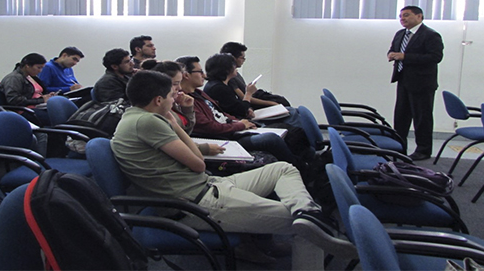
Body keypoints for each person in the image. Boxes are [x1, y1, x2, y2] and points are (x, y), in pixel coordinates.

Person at [111, 70, 356, 268]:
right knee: (309, 230)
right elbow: (198, 163)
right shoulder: (149, 121)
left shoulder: (134, 117)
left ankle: (306, 210)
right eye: (171, 95)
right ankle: (310, 219)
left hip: (207, 188)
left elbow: (191, 158)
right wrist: (174, 124)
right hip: (197, 204)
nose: (175, 98)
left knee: (282, 169)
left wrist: (176, 122)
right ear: (158, 100)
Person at [176, 56, 307, 170]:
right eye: (199, 72)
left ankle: (306, 160)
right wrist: (241, 124)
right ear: (186, 75)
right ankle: (301, 168)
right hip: (226, 137)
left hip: (234, 128)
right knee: (272, 138)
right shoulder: (188, 100)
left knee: (290, 130)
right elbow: (210, 126)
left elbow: (222, 114)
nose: (204, 75)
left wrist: (241, 122)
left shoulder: (199, 93)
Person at [387, 6, 444, 161]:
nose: (402, 19)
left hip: (422, 83)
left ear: (419, 16)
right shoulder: (400, 34)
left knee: (422, 118)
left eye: (406, 15)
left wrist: (405, 57)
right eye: (400, 16)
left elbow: (435, 57)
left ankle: (423, 150)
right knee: (401, 116)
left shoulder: (430, 35)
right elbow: (393, 50)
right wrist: (391, 55)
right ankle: (399, 147)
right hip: (403, 80)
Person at [220, 42, 291, 109]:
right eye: (242, 58)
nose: (244, 60)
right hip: (250, 102)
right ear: (233, 58)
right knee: (283, 104)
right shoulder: (230, 77)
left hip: (252, 97)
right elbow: (242, 97)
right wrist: (271, 103)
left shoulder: (235, 73)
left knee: (282, 101)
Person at [0, 53, 58, 126]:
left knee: (60, 112)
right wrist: (41, 100)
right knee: (55, 118)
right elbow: (14, 100)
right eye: (38, 67)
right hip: (24, 111)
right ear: (27, 66)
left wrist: (45, 97)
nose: (40, 71)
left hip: (37, 106)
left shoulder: (31, 76)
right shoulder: (14, 78)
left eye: (42, 68)